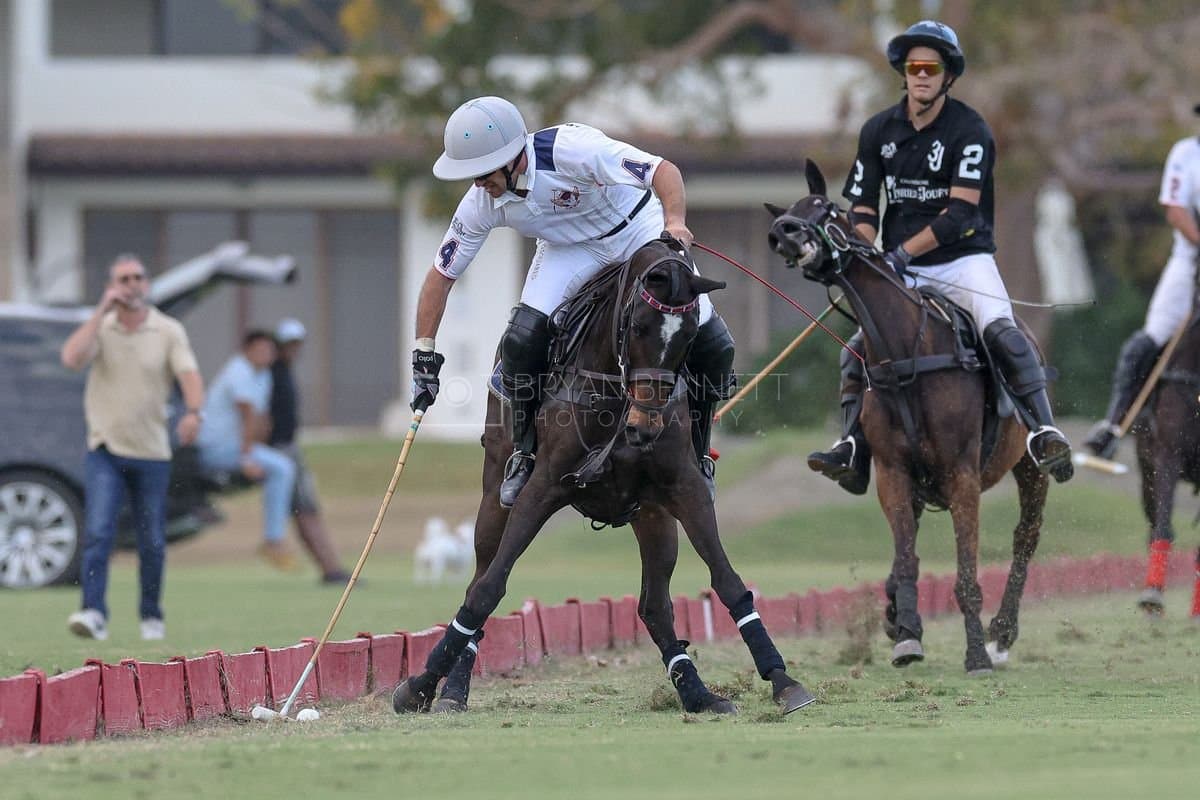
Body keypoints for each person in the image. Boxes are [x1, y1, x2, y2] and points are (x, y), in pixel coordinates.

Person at [411, 96, 736, 507]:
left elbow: (662, 171)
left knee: (715, 344)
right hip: (570, 251)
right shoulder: (481, 203)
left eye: (482, 173)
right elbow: (442, 275)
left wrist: (674, 222)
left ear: (513, 158)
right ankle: (524, 455)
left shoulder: (571, 151)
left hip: (639, 230)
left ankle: (701, 454)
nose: (477, 184)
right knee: (521, 340)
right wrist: (424, 353)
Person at [807, 20, 1073, 495]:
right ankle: (851, 445)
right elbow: (865, 206)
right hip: (896, 262)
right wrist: (867, 252)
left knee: (1002, 329)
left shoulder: (969, 130)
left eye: (932, 67)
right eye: (914, 67)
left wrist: (901, 254)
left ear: (948, 75)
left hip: (961, 259)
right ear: (904, 74)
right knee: (858, 349)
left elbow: (959, 213)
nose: (922, 75)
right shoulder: (877, 130)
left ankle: (1043, 432)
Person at [61, 254, 205, 641]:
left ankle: (150, 615)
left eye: (138, 277)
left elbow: (189, 374)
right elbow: (71, 358)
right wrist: (100, 312)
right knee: (98, 532)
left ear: (147, 283)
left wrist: (193, 412)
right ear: (113, 285)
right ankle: (93, 612)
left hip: (152, 451)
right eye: (123, 278)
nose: (132, 284)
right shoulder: (101, 328)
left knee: (152, 539)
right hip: (105, 448)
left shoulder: (167, 329)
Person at [1083, 104, 1200, 459]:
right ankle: (1114, 425)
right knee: (1150, 337)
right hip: (1190, 259)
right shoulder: (1186, 153)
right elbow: (1175, 210)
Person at [196, 330, 298, 570]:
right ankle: (273, 540)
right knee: (282, 468)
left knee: (281, 468)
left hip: (236, 445)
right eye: (260, 349)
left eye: (270, 351)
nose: (266, 355)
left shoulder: (263, 375)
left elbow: (261, 419)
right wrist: (247, 457)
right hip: (214, 448)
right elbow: (248, 415)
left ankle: (274, 538)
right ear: (246, 350)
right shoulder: (238, 371)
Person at [269, 318, 352, 584]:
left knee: (304, 509)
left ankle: (330, 567)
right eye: (288, 343)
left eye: (296, 343)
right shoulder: (273, 373)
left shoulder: (284, 372)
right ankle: (330, 568)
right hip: (281, 450)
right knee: (306, 509)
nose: (293, 348)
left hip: (288, 447)